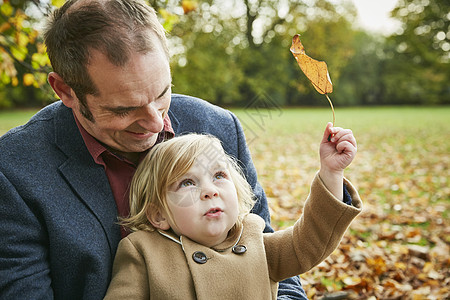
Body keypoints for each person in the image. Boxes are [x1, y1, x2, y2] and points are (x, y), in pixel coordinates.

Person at [0, 0, 316, 299]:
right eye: (124, 109)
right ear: (65, 91)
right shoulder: (15, 171)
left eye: (163, 92)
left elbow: (271, 261)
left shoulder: (219, 127)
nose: (155, 123)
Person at [103, 131, 361, 299]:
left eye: (218, 176)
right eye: (187, 183)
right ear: (159, 214)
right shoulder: (144, 252)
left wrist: (331, 174)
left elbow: (309, 241)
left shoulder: (254, 240)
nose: (209, 191)